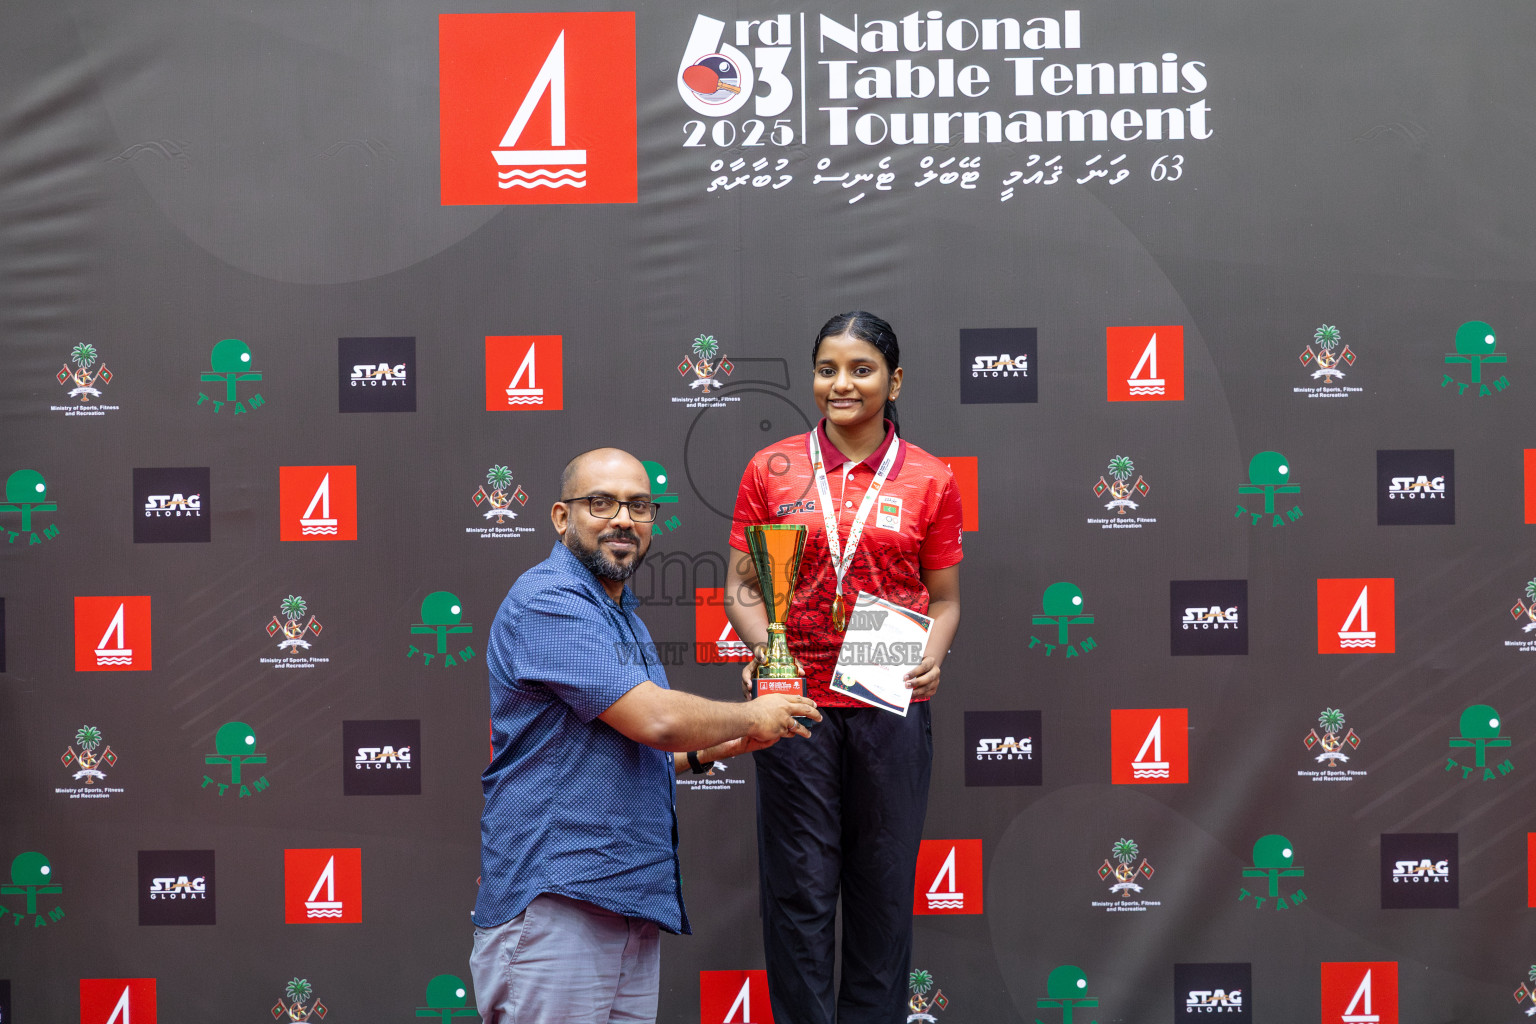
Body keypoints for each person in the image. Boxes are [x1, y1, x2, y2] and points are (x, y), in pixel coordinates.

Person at [471, 447, 821, 1024]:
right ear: (561, 517)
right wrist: (752, 715)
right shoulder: (547, 600)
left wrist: (715, 749)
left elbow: (622, 750)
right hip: (560, 899)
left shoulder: (621, 615)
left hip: (626, 901)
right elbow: (655, 720)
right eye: (601, 503)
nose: (623, 520)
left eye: (638, 506)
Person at [725, 312, 963, 1023]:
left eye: (862, 369)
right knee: (797, 891)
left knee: (882, 894)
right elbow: (742, 586)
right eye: (827, 369)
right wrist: (765, 646)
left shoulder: (929, 476)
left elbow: (945, 599)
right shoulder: (772, 468)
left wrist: (932, 654)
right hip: (793, 703)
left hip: (887, 697)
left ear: (895, 381)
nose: (842, 384)